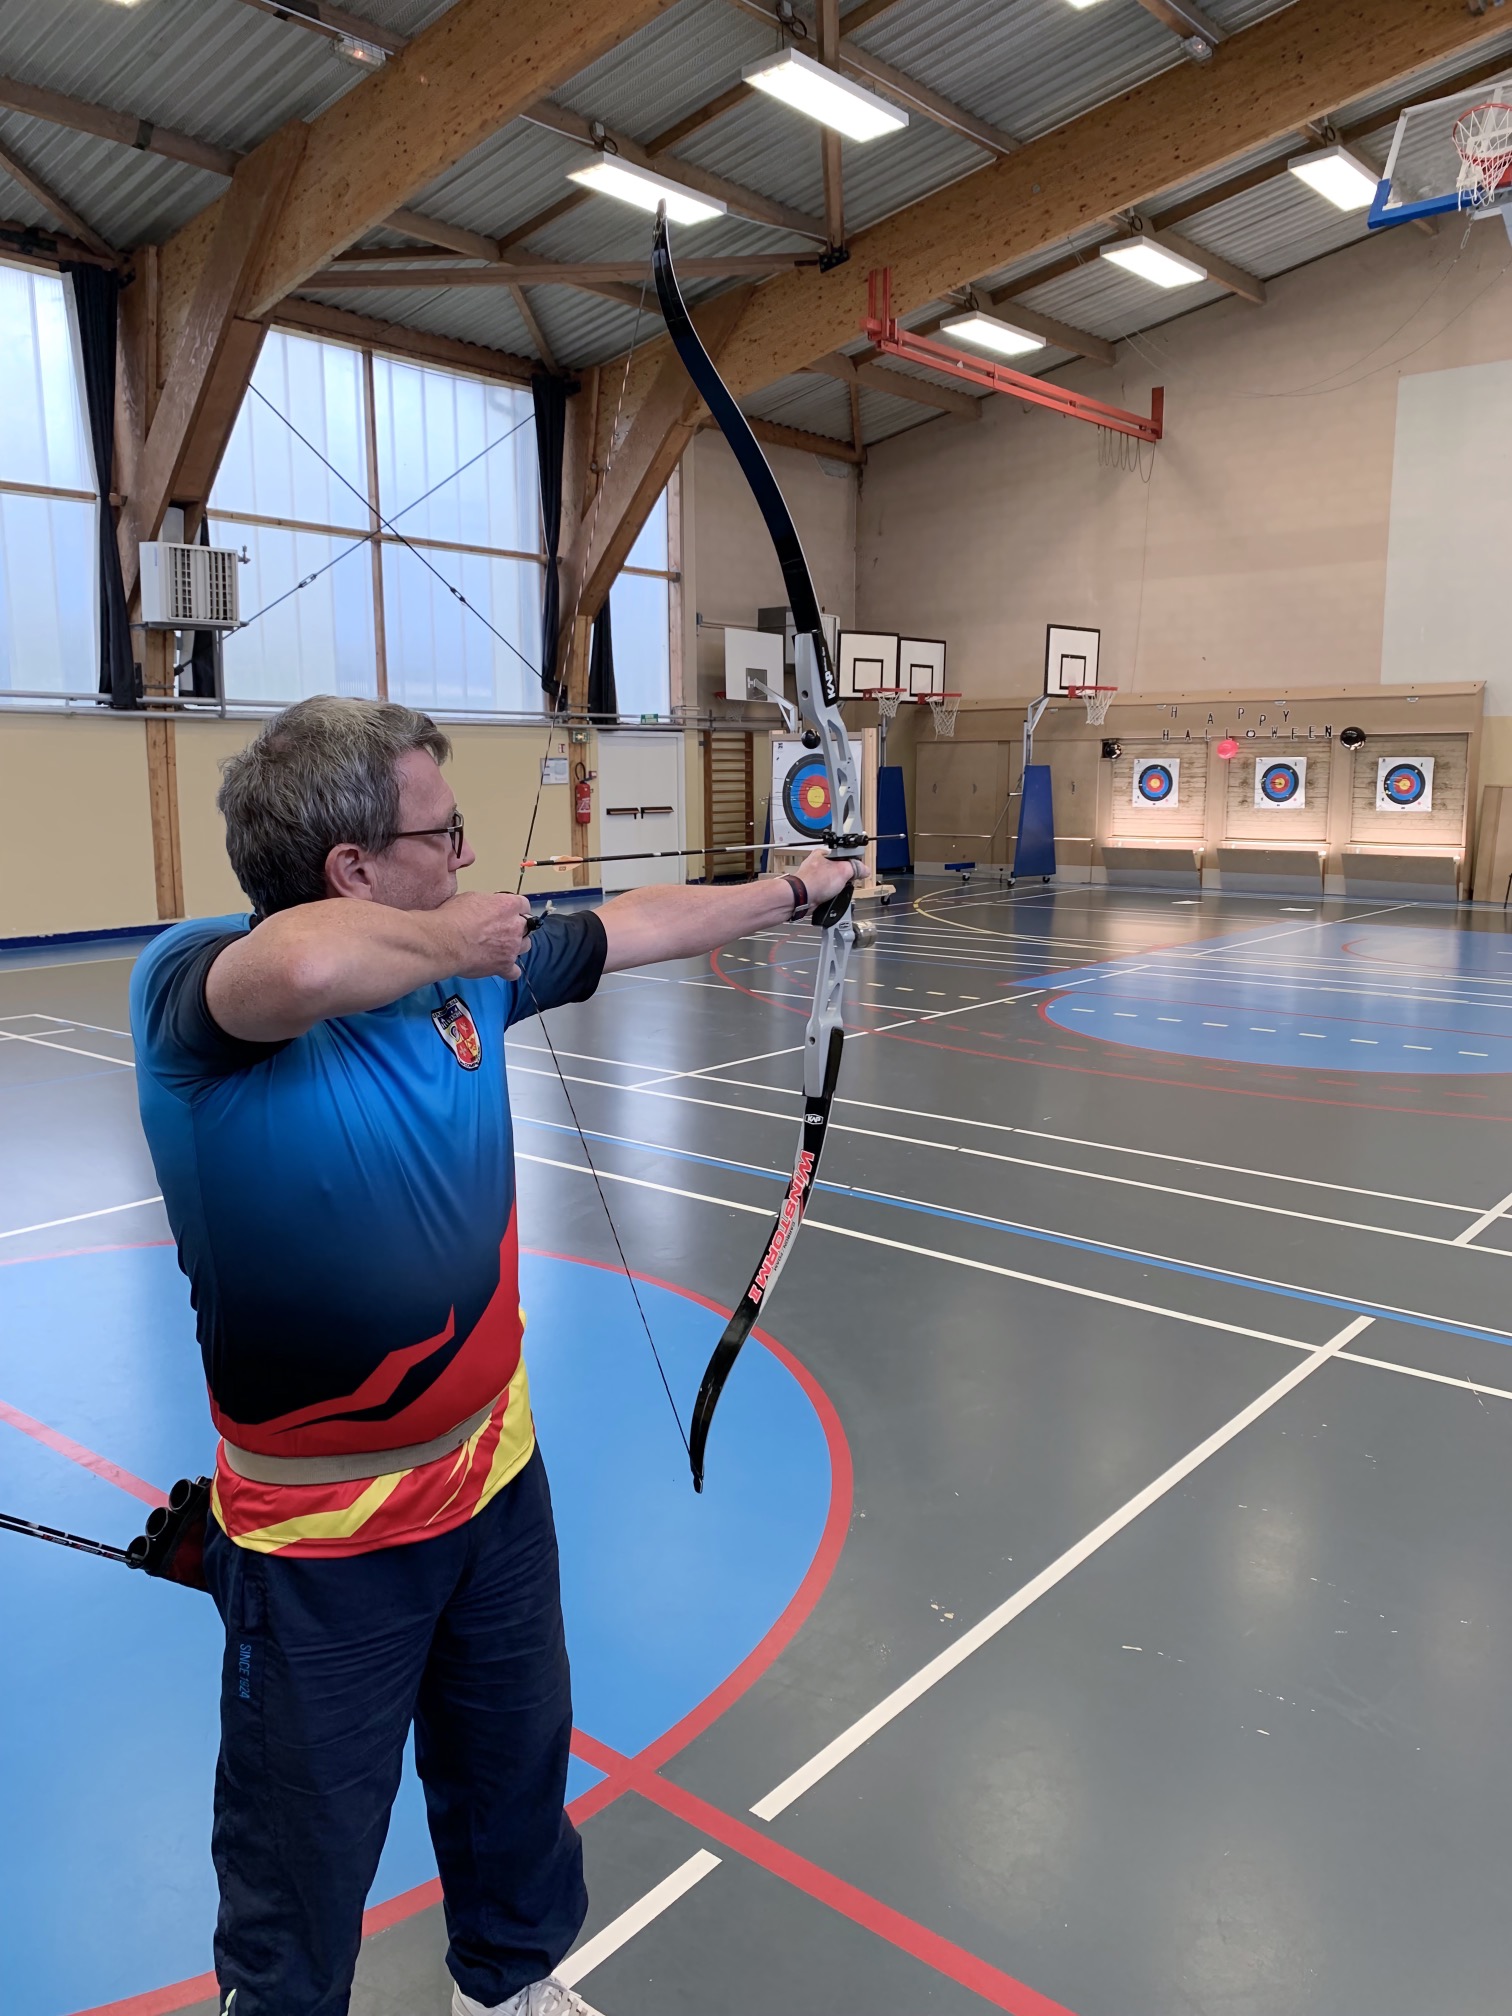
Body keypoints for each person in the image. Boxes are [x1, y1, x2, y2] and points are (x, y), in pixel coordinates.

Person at [128, 695, 861, 2016]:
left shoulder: (469, 977)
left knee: (514, 1777)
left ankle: (510, 1988)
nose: (469, 856)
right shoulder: (193, 992)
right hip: (324, 1545)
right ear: (354, 867)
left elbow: (632, 926)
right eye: (443, 832)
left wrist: (796, 890)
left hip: (494, 1485)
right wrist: (452, 939)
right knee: (301, 1861)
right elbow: (296, 968)